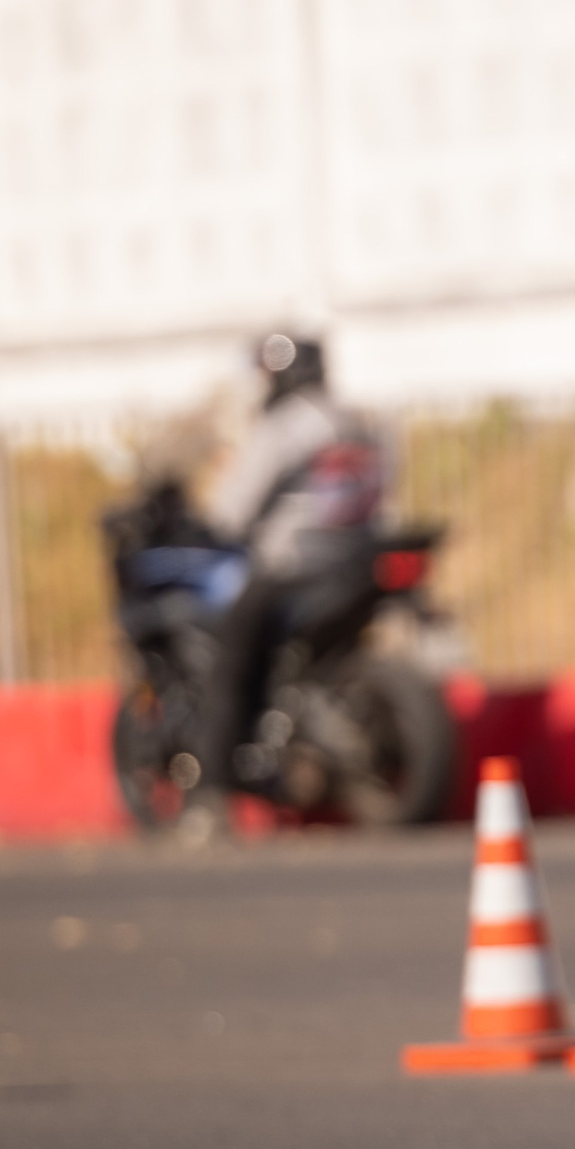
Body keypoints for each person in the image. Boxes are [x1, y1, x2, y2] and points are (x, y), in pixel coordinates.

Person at [188, 333, 385, 822]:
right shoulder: (355, 423)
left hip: (292, 572)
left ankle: (211, 795)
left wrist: (212, 517)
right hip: (357, 566)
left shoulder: (285, 427)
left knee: (227, 664)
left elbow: (231, 509)